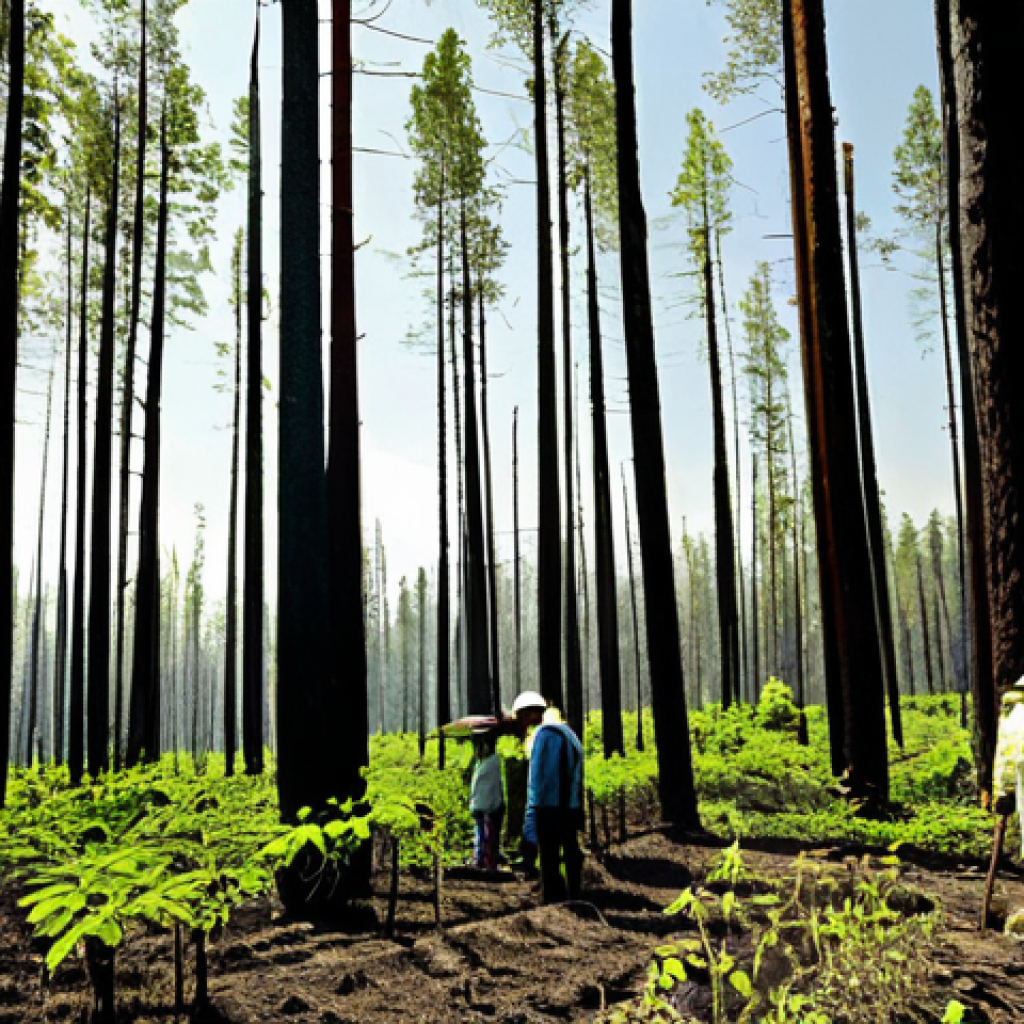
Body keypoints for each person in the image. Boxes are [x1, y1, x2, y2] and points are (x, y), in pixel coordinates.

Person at [513, 690, 585, 904]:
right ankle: (573, 894)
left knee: (551, 857)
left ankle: (556, 899)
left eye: (522, 716)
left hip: (551, 806)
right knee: (570, 851)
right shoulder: (568, 733)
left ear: (532, 713)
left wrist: (532, 816)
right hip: (569, 804)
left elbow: (542, 778)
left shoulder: (546, 735)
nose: (522, 722)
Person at [469, 729, 505, 870]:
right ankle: (481, 858)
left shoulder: (492, 763)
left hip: (489, 805)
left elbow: (490, 786)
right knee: (482, 834)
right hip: (481, 805)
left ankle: (488, 860)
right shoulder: (481, 763)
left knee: (489, 835)